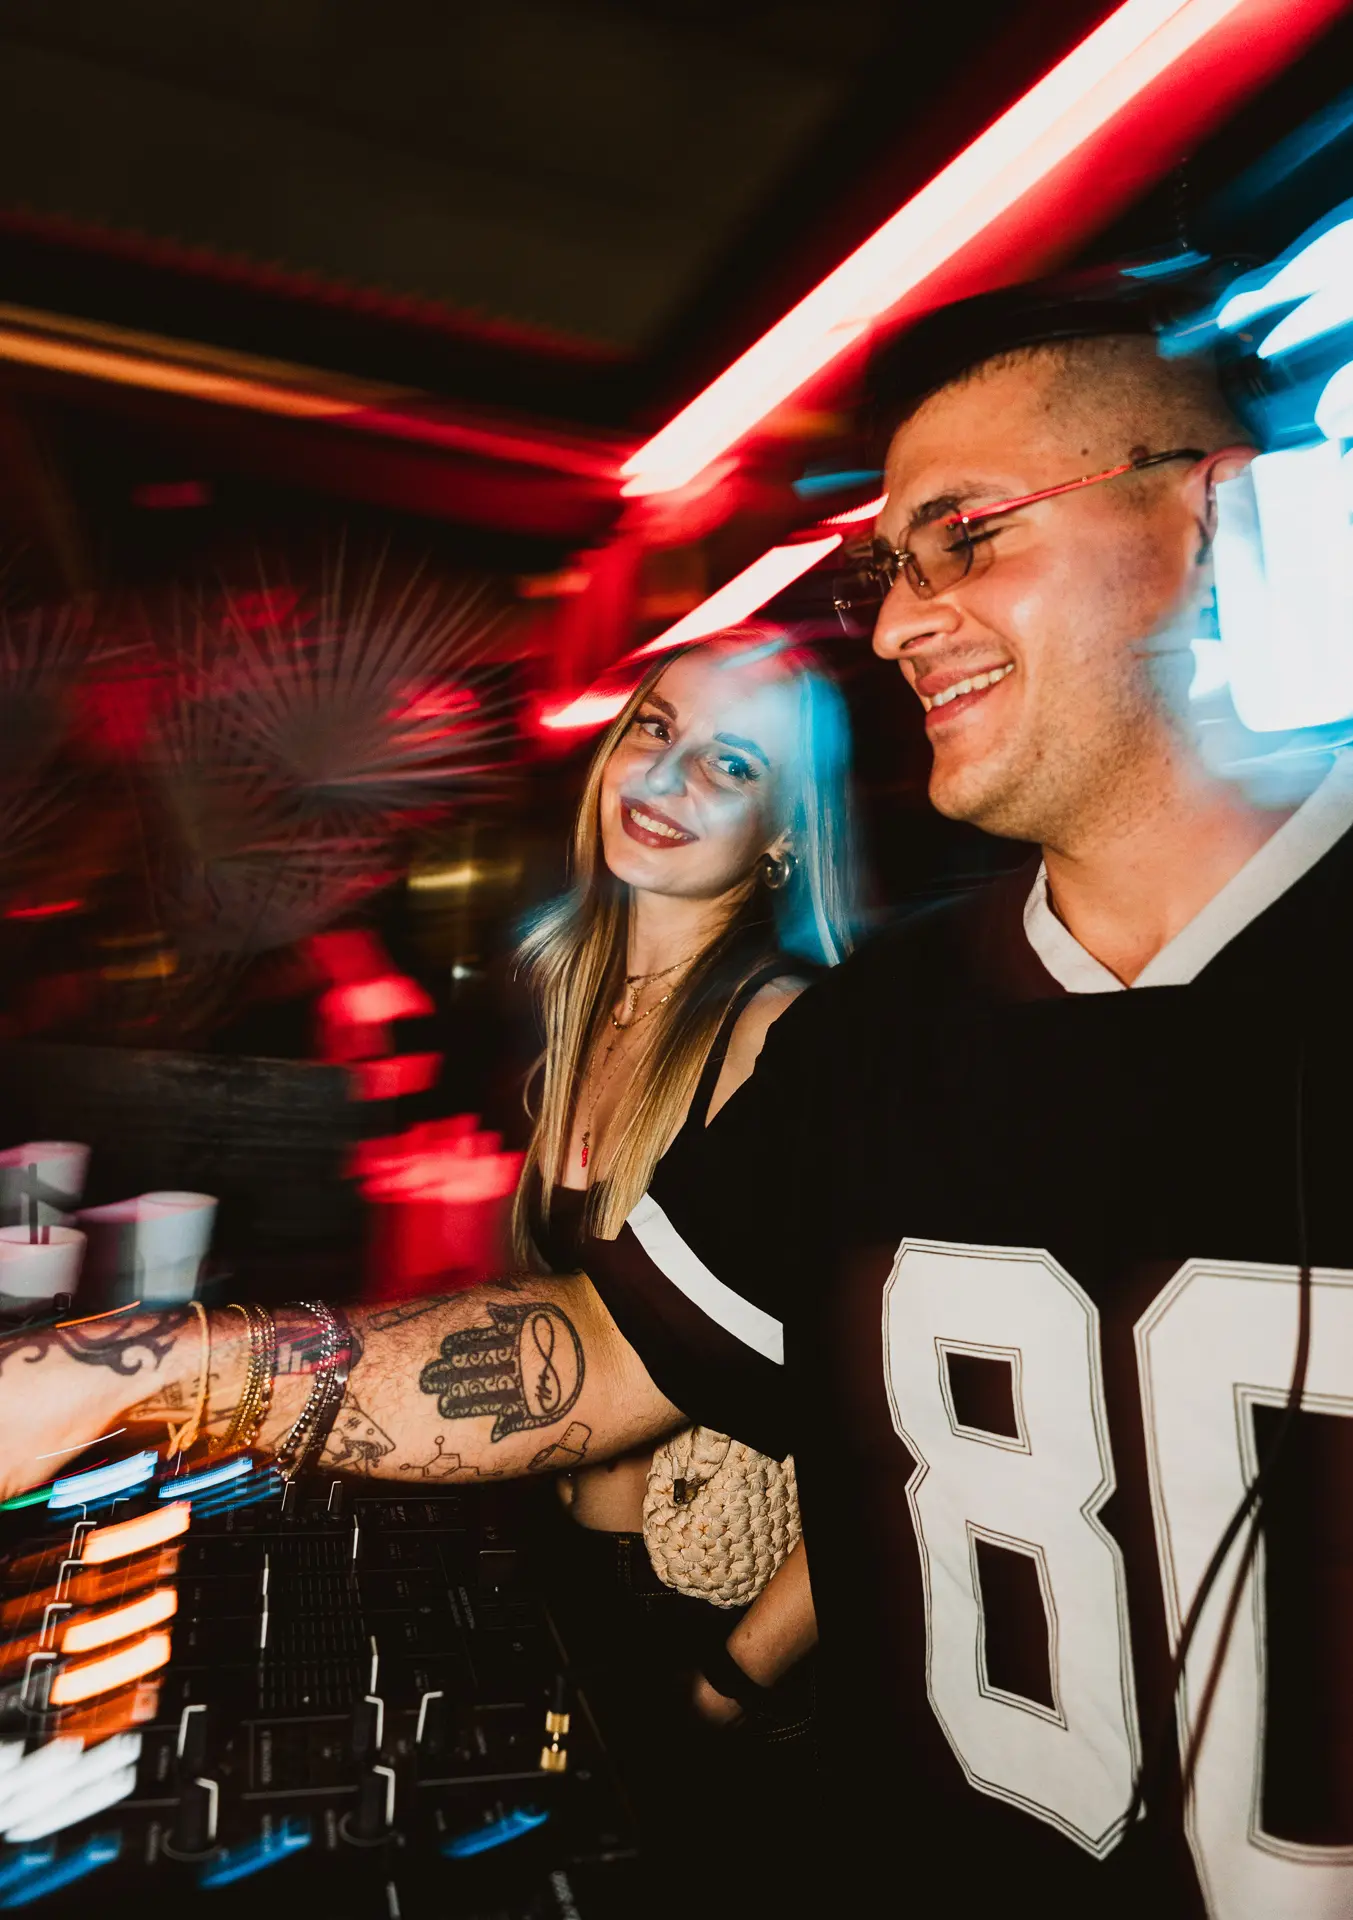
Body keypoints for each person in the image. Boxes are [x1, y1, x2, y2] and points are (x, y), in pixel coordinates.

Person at [9, 267, 1353, 1918]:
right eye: (888, 565)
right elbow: (593, 1354)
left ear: (1209, 516)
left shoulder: (797, 1019)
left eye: (967, 535)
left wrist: (719, 1680)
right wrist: (132, 1368)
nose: (900, 621)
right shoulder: (884, 1029)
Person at [510, 632, 854, 1736]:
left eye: (730, 763)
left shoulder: (780, 1037)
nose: (663, 776)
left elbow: (890, 1433)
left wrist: (728, 1682)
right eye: (653, 729)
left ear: (785, 831)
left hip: (704, 1614)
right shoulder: (583, 1002)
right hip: (571, 1569)